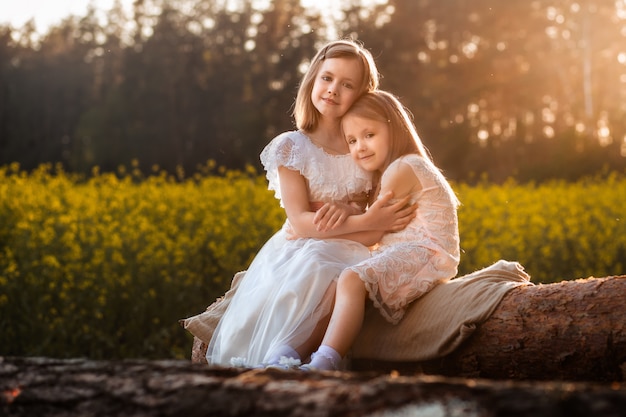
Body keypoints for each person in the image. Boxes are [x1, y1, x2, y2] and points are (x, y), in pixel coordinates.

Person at [205, 40, 415, 368]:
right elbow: (302, 222)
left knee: (349, 274)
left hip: (358, 247)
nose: (333, 90)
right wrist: (366, 221)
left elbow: (379, 225)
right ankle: (285, 354)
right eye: (327, 78)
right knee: (319, 265)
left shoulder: (364, 147)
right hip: (303, 246)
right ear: (313, 81)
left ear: (362, 94)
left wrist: (357, 215)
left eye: (347, 85)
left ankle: (314, 358)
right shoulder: (293, 147)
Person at [301, 90, 461, 371]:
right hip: (408, 250)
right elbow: (373, 219)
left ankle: (324, 362)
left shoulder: (404, 168)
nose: (360, 147)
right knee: (335, 281)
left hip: (429, 252)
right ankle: (296, 352)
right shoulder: (394, 170)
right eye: (352, 140)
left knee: (351, 278)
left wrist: (312, 231)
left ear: (394, 127)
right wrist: (353, 212)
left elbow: (372, 231)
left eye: (369, 135)